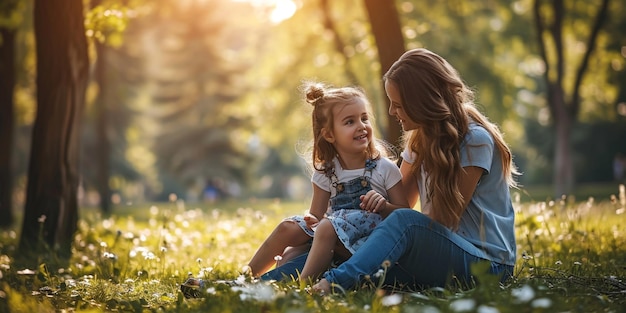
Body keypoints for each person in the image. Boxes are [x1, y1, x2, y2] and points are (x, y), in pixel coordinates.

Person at [311, 48, 520, 293]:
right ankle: (267, 280)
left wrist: (376, 234)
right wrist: (344, 228)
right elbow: (399, 204)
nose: (391, 112)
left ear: (422, 102)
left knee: (398, 228)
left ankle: (333, 284)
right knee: (336, 238)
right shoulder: (419, 140)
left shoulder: (474, 140)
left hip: (487, 266)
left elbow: (436, 221)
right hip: (441, 255)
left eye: (398, 105)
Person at [181, 82, 408, 296]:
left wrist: (384, 205)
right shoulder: (327, 172)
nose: (361, 126)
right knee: (289, 228)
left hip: (367, 244)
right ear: (329, 135)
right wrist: (310, 221)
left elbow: (404, 217)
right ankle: (244, 279)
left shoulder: (383, 168)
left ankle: (303, 290)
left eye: (364, 118)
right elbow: (317, 218)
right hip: (331, 233)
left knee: (326, 229)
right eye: (350, 122)